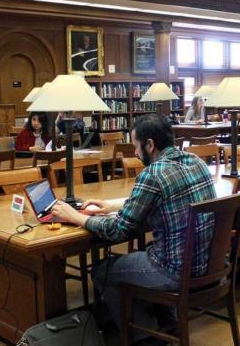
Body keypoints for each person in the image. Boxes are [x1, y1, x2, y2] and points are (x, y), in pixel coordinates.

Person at [51, 114, 216, 336]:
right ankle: (169, 326)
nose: (135, 153)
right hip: (208, 264)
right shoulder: (196, 161)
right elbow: (162, 197)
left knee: (102, 271)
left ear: (150, 145)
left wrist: (76, 217)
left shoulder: (153, 173)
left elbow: (118, 231)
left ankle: (142, 336)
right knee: (144, 254)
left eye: (136, 147)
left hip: (174, 271)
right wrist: (110, 205)